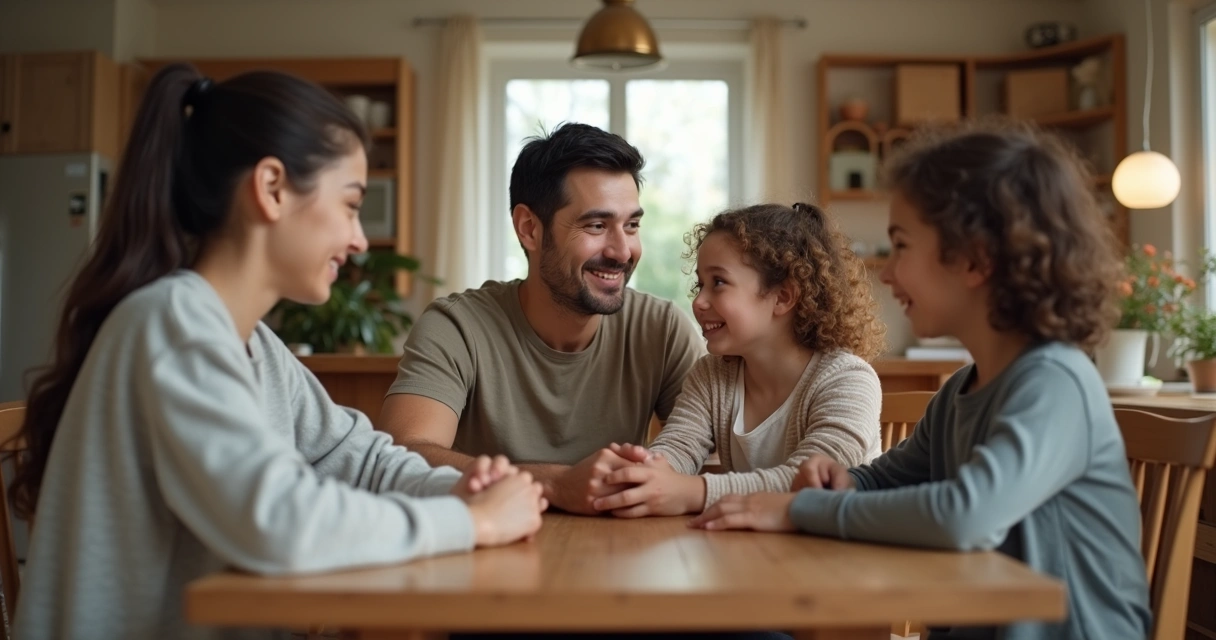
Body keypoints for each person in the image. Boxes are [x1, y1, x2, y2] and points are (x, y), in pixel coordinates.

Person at [10, 63, 546, 640]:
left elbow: (359, 458)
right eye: (349, 204)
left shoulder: (252, 344)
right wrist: (468, 522)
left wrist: (458, 489)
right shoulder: (171, 324)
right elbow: (279, 523)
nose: (360, 238)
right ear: (270, 189)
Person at [689, 120, 1153, 639]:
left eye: (902, 246)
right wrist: (840, 479)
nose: (886, 274)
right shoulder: (959, 393)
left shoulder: (1056, 382)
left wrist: (803, 508)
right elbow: (881, 478)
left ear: (975, 258)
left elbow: (963, 515)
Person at [379, 123, 705, 515]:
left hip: (623, 556)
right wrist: (554, 483)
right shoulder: (457, 327)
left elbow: (711, 459)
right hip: (488, 551)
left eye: (632, 225)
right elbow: (402, 455)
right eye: (597, 225)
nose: (623, 251)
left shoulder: (662, 329)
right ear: (529, 228)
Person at [589, 202, 885, 518]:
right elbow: (679, 448)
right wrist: (644, 471)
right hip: (754, 550)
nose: (699, 302)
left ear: (783, 297)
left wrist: (695, 492)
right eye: (700, 285)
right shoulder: (712, 375)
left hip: (838, 558)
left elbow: (811, 484)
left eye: (718, 283)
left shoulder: (848, 380)